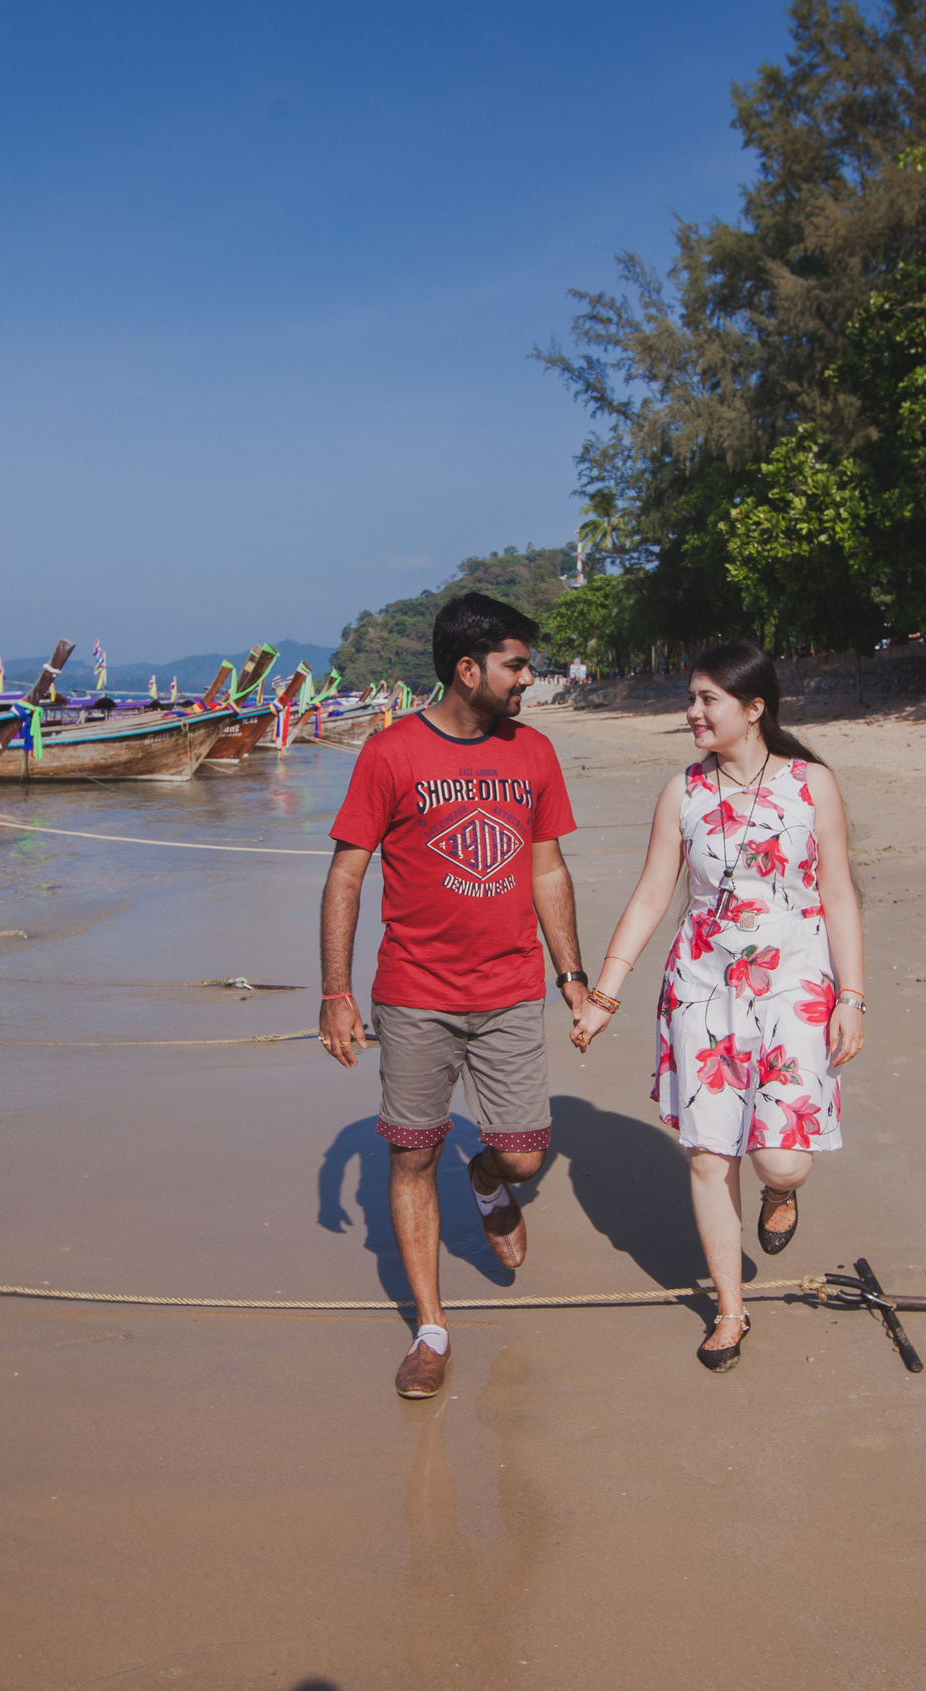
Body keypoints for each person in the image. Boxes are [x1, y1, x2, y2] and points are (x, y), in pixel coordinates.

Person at [319, 592, 591, 1399]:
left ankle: (487, 1176)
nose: (527, 678)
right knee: (410, 1153)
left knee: (524, 1151)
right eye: (516, 664)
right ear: (467, 669)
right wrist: (336, 991)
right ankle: (432, 1329)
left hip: (509, 988)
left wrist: (571, 977)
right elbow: (346, 873)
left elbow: (546, 869)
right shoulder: (391, 754)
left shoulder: (534, 753)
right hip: (415, 994)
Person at [571, 642, 867, 1371]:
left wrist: (852, 996)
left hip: (796, 977)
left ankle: (781, 1193)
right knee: (709, 1155)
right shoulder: (682, 792)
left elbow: (837, 893)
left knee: (782, 1157)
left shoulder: (812, 785)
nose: (693, 711)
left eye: (708, 699)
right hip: (702, 983)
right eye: (692, 697)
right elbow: (651, 895)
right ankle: (730, 1312)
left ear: (754, 707)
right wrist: (604, 993)